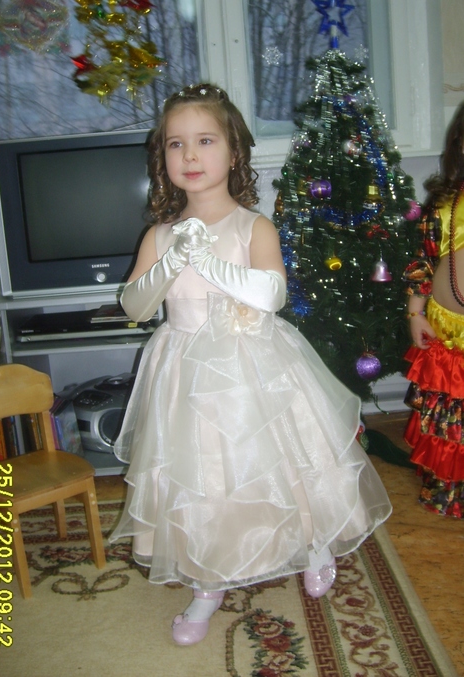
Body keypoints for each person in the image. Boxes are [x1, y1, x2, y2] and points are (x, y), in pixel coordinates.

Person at [109, 83, 392, 645]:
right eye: (175, 144)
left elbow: (271, 294)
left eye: (205, 141)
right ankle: (207, 580)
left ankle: (311, 541)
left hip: (253, 366)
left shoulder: (253, 226)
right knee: (200, 475)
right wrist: (171, 259)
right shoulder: (159, 235)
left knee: (286, 462)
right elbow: (134, 306)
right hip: (184, 371)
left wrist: (209, 262)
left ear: (234, 152)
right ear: (162, 158)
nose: (189, 155)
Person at [404, 101, 464, 519]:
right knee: (450, 417)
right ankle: (449, 485)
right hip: (446, 326)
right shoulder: (444, 204)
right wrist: (415, 312)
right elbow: (422, 262)